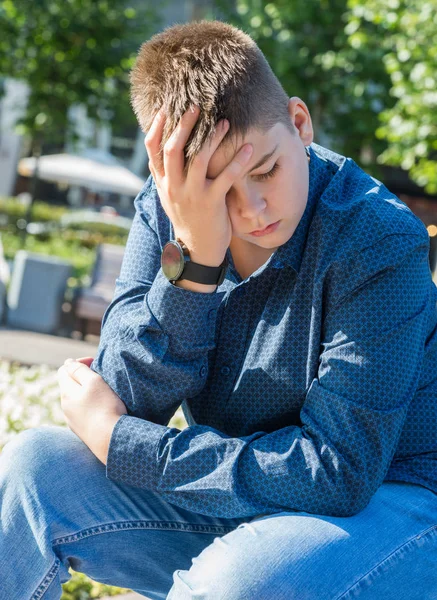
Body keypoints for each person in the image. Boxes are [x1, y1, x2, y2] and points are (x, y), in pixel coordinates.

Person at [1, 19, 436, 600]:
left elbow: (339, 472)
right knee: (35, 470)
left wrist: (123, 442)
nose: (253, 210)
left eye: (265, 171)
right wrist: (197, 264)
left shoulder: (378, 240)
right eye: (220, 192)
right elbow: (131, 398)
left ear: (300, 125)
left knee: (236, 582)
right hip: (238, 498)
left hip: (393, 506)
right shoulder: (171, 210)